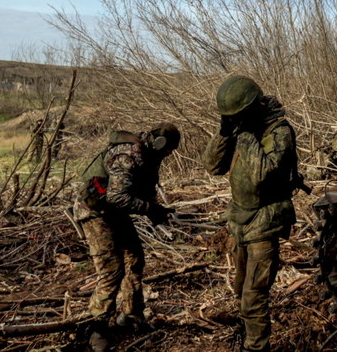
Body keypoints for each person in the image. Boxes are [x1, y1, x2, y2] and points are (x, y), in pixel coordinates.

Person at [202, 75, 299, 352]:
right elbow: (212, 166)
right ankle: (246, 335)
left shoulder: (278, 131)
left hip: (265, 221)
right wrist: (224, 133)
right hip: (241, 220)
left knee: (254, 294)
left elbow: (260, 175)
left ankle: (257, 347)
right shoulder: (242, 127)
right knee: (240, 287)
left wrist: (244, 134)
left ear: (255, 106)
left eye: (238, 116)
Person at [73, 124, 180, 349]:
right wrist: (150, 209)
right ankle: (95, 326)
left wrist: (157, 212)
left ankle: (132, 315)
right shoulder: (127, 155)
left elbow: (145, 190)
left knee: (135, 257)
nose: (169, 154)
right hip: (94, 211)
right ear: (160, 144)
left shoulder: (150, 156)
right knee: (111, 269)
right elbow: (116, 196)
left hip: (114, 211)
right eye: (169, 150)